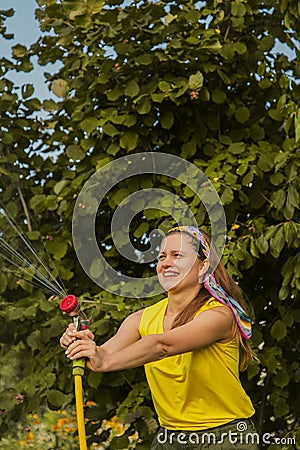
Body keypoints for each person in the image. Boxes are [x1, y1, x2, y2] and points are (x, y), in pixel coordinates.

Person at [60, 226, 259, 449]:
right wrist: (83, 345)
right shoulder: (141, 319)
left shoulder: (219, 316)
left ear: (203, 266)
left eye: (177, 255)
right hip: (171, 437)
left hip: (224, 437)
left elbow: (162, 345)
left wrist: (102, 361)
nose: (165, 262)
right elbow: (104, 353)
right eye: (162, 256)